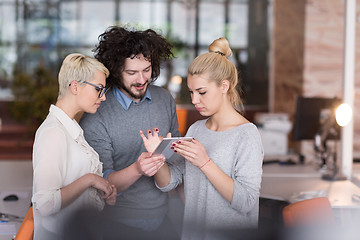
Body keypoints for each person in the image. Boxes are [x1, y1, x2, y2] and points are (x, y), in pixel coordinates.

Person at [141, 37, 264, 240]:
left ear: (224, 86)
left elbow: (246, 202)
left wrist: (204, 162)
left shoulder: (246, 134)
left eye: (202, 92)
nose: (194, 100)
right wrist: (157, 157)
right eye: (191, 92)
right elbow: (169, 183)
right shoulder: (196, 129)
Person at [79, 26, 181, 239]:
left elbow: (176, 160)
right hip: (116, 224)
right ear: (116, 71)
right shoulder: (98, 113)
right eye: (132, 72)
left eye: (147, 69)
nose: (142, 79)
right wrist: (138, 168)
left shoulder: (164, 100)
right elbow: (100, 184)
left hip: (164, 219)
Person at [32, 53, 117, 240]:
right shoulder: (53, 132)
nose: (103, 98)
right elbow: (45, 204)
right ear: (75, 86)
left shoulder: (71, 128)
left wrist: (101, 190)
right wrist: (90, 180)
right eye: (99, 89)